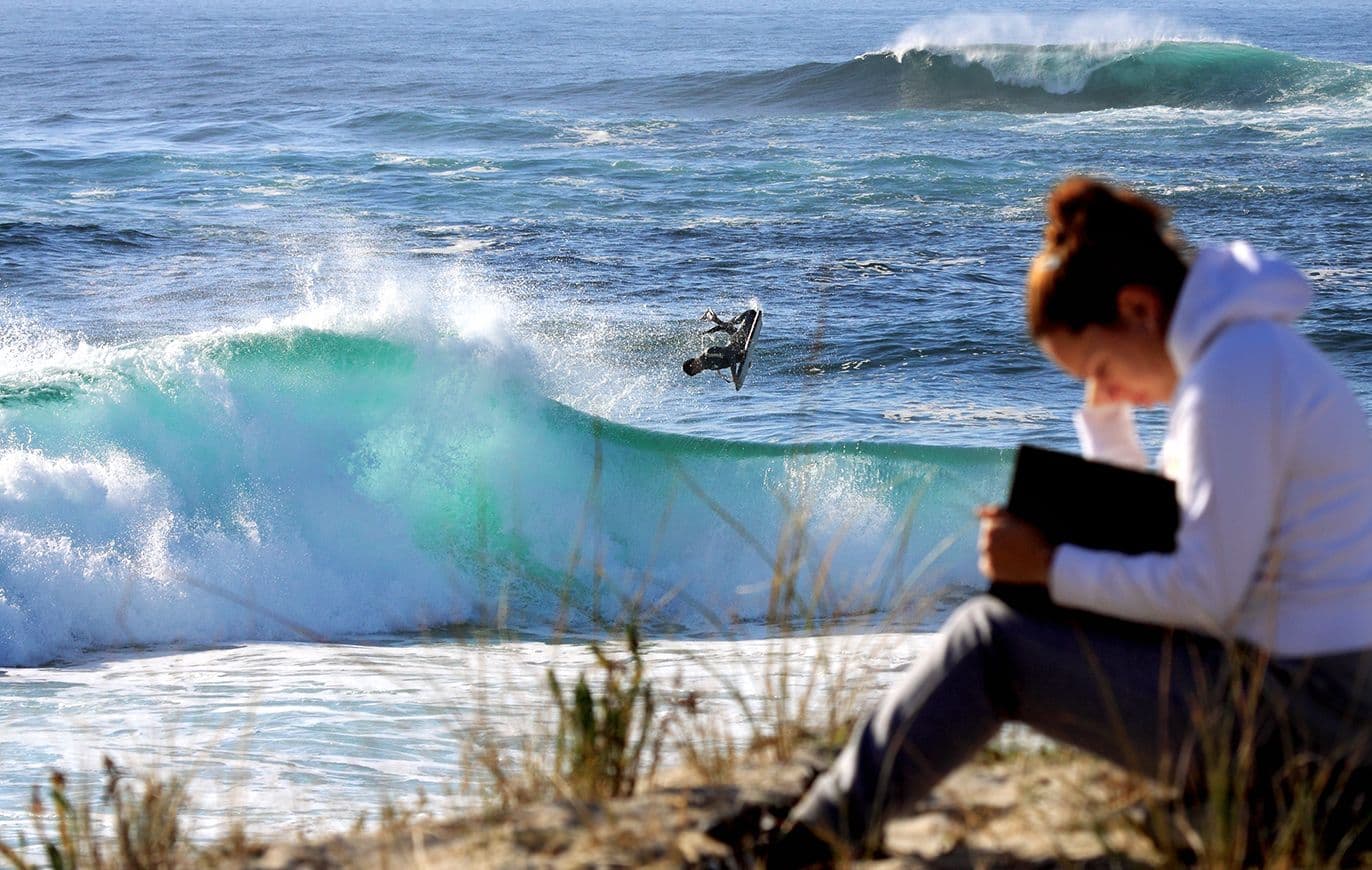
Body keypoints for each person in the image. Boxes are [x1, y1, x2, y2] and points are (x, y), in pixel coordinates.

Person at [768, 177, 1372, 866]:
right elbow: (1169, 540)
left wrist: (1048, 567)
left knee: (991, 642)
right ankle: (832, 817)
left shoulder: (1229, 379)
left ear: (1138, 308)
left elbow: (1205, 591)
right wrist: (1107, 419)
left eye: (1102, 368)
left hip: (1310, 714)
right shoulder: (1244, 357)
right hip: (1303, 690)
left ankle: (810, 844)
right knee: (1015, 625)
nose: (1107, 389)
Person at [682, 308, 758, 377]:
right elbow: (725, 360)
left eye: (696, 371)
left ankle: (714, 319)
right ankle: (713, 319)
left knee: (751, 314)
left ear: (693, 365)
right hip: (738, 343)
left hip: (739, 342)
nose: (699, 372)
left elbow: (731, 355)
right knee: (730, 328)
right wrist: (743, 360)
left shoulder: (708, 353)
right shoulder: (709, 366)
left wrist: (734, 375)